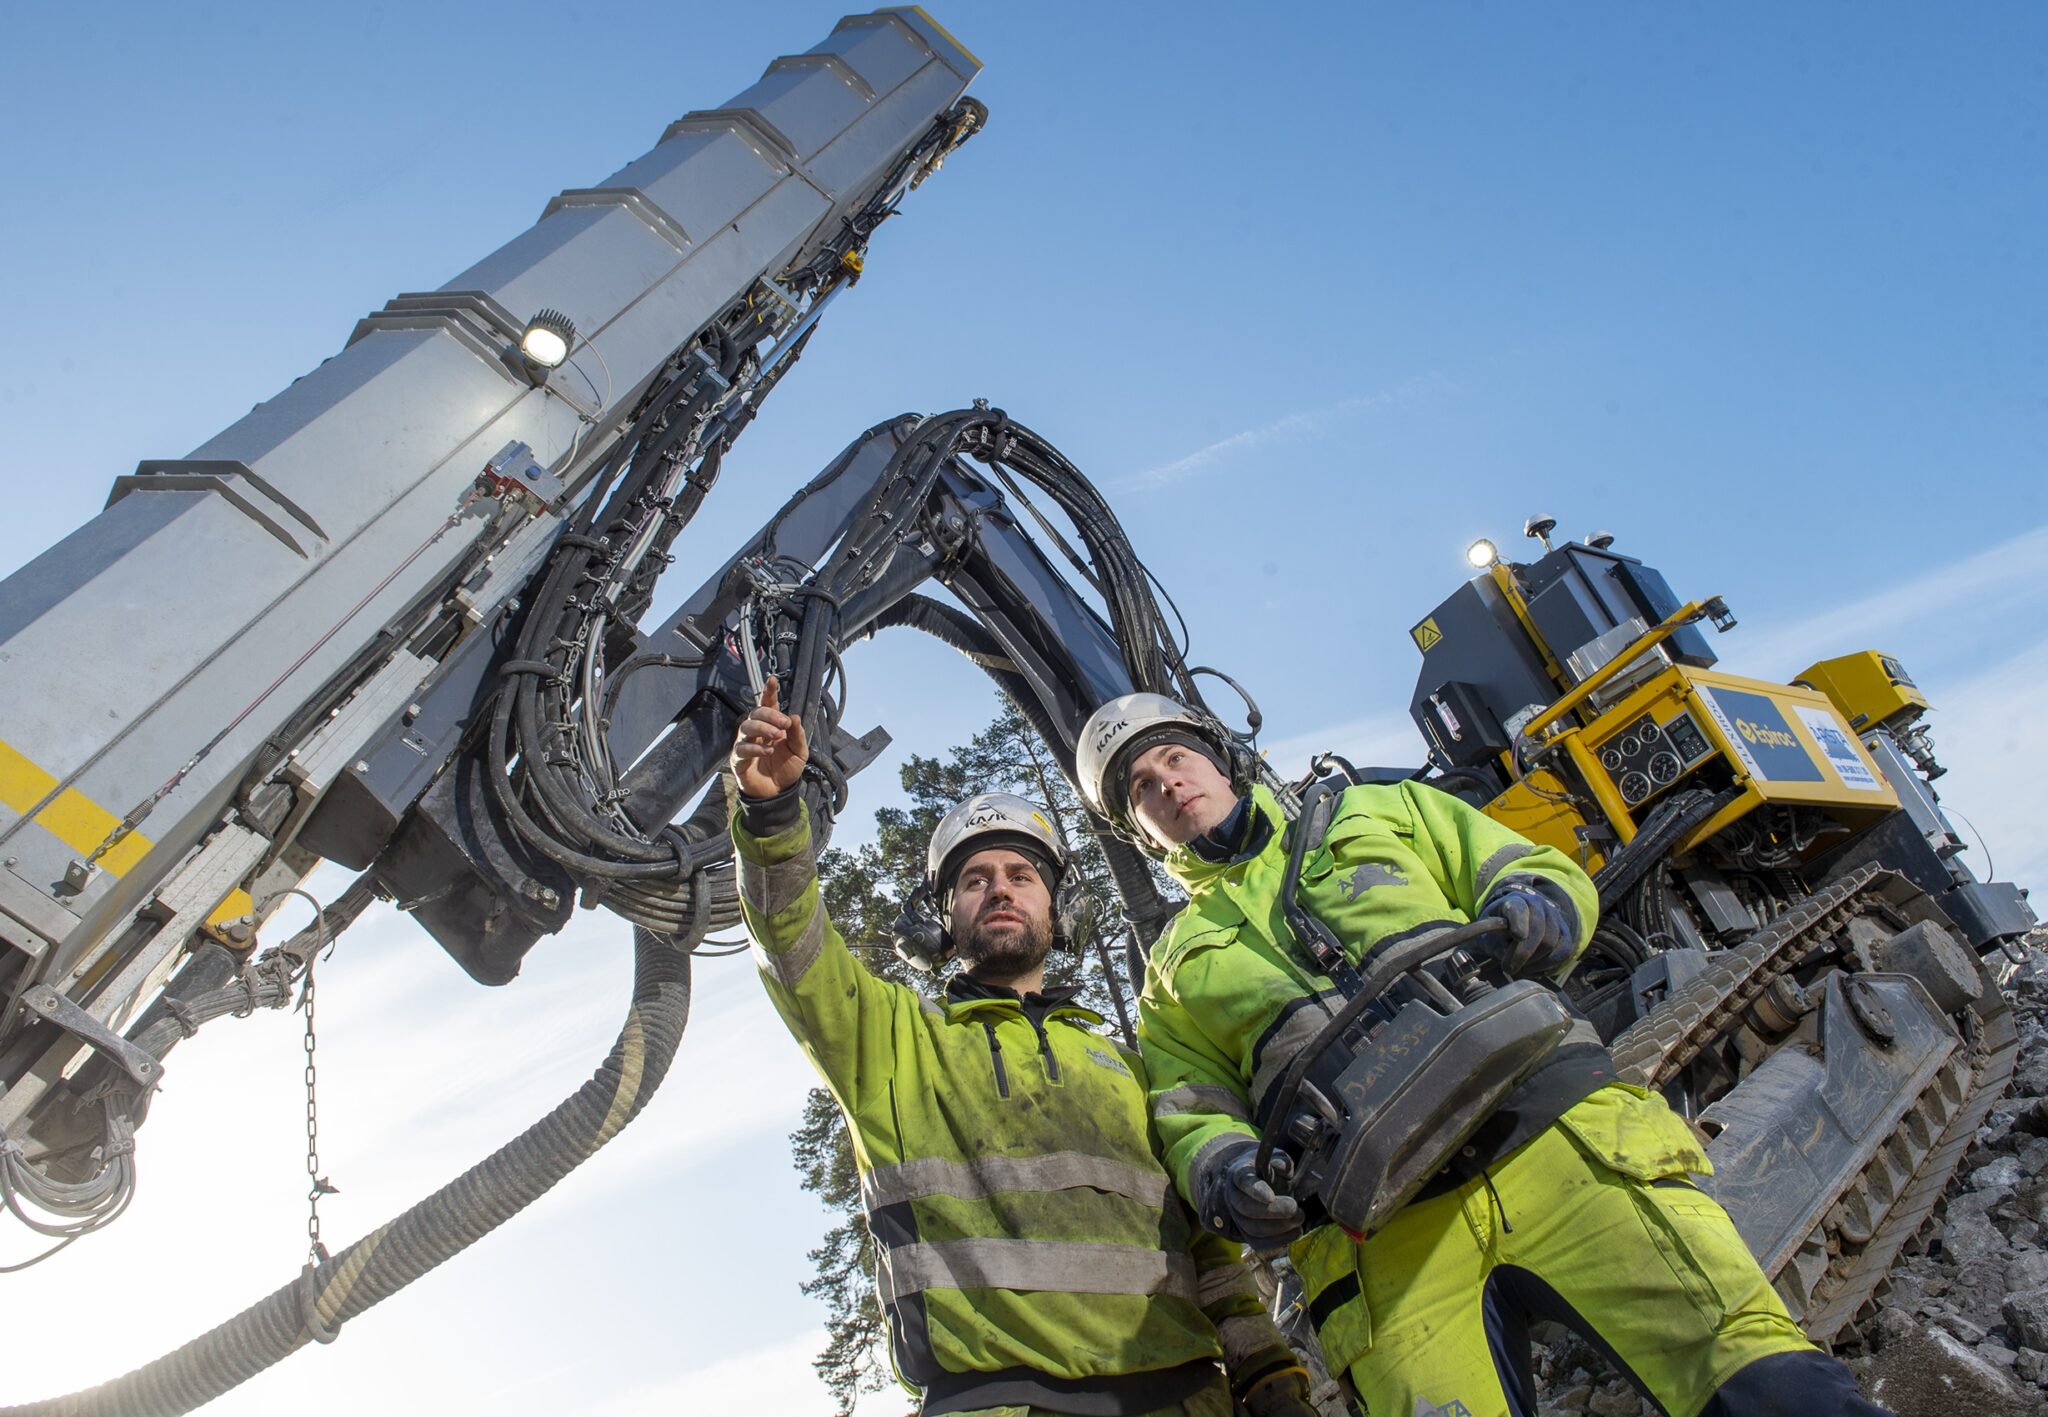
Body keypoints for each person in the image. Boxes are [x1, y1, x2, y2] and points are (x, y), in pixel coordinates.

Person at [1074, 691, 1889, 1417]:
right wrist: (1225, 1174)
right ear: (1140, 831)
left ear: (1220, 759)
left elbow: (1532, 868)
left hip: (1554, 1136)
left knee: (1766, 1381)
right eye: (1141, 787)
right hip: (1387, 1238)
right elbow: (1191, 1109)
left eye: (1175, 757)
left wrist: (1537, 906)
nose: (1167, 784)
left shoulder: (1379, 811)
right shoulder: (1173, 973)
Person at [729, 678, 1318, 1417]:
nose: (1000, 889)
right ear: (942, 920)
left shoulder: (1128, 1067)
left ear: (1060, 906)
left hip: (1188, 1397)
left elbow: (1205, 1250)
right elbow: (790, 941)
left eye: (1021, 874)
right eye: (974, 880)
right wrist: (771, 812)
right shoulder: (892, 1044)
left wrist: (1265, 1368)